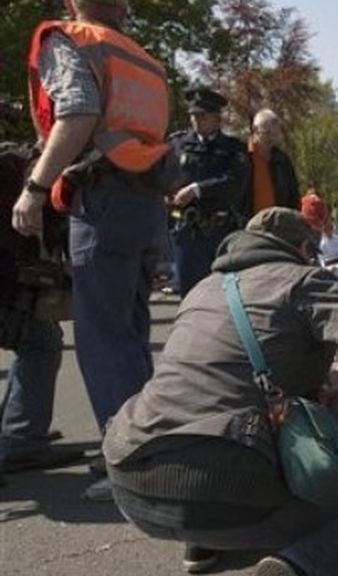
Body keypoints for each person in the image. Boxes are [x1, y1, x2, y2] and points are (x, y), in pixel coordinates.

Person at [103, 207, 338, 576]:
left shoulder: (200, 288)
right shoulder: (303, 279)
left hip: (131, 483)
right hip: (224, 481)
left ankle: (200, 542)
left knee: (207, 414)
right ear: (306, 249)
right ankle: (292, 564)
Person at [15, 0, 175, 501]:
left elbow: (78, 112)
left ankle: (131, 465)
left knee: (103, 338)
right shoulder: (140, 55)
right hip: (144, 201)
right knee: (129, 331)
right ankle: (148, 446)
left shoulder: (70, 39)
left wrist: (35, 187)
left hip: (102, 199)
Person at [1, 141, 83, 479]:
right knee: (40, 343)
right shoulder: (17, 169)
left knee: (39, 341)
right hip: (9, 277)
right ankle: (21, 439)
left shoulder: (11, 164)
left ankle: (17, 430)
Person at [167, 86, 248, 296]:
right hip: (187, 232)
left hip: (221, 232)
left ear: (216, 118)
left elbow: (234, 182)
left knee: (225, 297)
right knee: (191, 297)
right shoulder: (177, 144)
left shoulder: (233, 148)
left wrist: (196, 190)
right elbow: (164, 178)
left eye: (202, 115)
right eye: (192, 115)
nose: (196, 120)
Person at [242, 109, 299, 219]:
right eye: (267, 133)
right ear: (255, 130)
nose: (271, 138)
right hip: (247, 226)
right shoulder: (241, 156)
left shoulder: (283, 160)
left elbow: (293, 196)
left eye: (275, 134)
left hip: (277, 227)